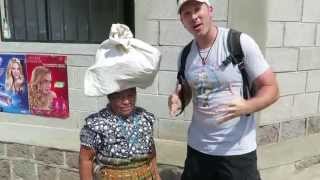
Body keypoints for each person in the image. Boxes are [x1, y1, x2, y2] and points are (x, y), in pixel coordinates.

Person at [168, 0, 279, 180]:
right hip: (198, 150)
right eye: (186, 13)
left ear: (210, 10)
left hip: (237, 152)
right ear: (182, 20)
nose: (194, 17)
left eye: (197, 9)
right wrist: (179, 100)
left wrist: (248, 106)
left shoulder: (238, 42)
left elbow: (271, 88)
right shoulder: (186, 54)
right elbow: (187, 91)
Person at [80, 23, 161, 180]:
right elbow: (85, 160)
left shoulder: (145, 118)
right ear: (109, 97)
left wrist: (156, 175)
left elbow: (151, 152)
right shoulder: (97, 124)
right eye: (119, 97)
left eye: (130, 95)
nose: (126, 101)